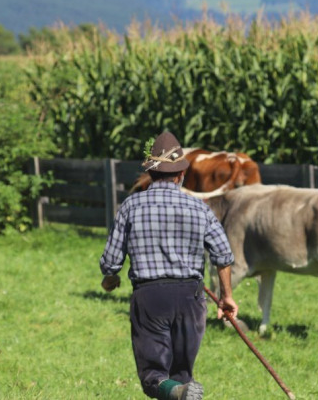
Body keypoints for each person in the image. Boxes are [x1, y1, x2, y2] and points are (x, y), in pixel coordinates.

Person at [99, 131, 238, 400]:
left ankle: (177, 392)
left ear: (151, 174)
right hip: (191, 299)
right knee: (182, 376)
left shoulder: (131, 206)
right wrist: (227, 297)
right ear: (180, 174)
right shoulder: (199, 208)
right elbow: (223, 254)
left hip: (150, 298)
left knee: (154, 377)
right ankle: (181, 390)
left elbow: (111, 260)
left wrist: (110, 277)